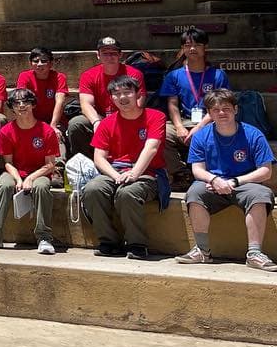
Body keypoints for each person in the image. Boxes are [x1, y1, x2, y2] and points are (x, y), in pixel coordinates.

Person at [179, 88, 277, 271]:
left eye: (226, 108)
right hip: (213, 184)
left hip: (245, 184)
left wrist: (235, 182)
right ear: (209, 113)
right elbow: (197, 169)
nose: (222, 113)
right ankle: (202, 250)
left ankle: (254, 254)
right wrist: (214, 179)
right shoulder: (201, 136)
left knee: (261, 194)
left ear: (236, 109)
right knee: (194, 192)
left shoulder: (253, 134)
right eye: (216, 110)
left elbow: (266, 171)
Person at [82, 75, 166, 260]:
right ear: (111, 98)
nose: (122, 97)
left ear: (137, 94)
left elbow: (151, 148)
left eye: (127, 92)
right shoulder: (106, 123)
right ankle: (108, 241)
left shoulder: (155, 116)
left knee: (127, 193)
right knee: (92, 189)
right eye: (116, 94)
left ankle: (137, 243)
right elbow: (99, 157)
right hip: (115, 171)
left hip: (147, 173)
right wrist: (115, 176)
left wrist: (134, 173)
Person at [0, 88, 61, 253]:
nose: (22, 106)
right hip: (15, 171)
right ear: (12, 108)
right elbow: (8, 162)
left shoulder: (46, 130)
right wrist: (18, 179)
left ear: (33, 105)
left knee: (41, 187)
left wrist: (30, 178)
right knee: (4, 185)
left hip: (40, 172)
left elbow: (50, 164)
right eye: (17, 103)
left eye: (26, 102)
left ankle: (44, 237)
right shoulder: (6, 131)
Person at [159, 26, 231, 181]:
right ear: (183, 48)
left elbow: (220, 105)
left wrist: (200, 127)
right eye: (188, 45)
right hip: (184, 120)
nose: (192, 49)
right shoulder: (174, 75)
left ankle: (216, 173)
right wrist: (179, 127)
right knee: (160, 133)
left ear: (205, 47)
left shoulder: (218, 75)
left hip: (211, 120)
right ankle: (181, 174)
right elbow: (172, 103)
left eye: (197, 45)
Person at [68, 36, 147, 157]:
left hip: (127, 117)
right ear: (98, 55)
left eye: (113, 53)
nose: (110, 57)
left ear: (120, 55)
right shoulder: (88, 75)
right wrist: (96, 122)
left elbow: (138, 103)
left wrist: (113, 122)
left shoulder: (134, 74)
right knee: (76, 123)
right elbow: (86, 104)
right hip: (99, 117)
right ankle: (84, 162)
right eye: (105, 53)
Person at [15, 46, 69, 134]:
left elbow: (60, 101)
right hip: (32, 121)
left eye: (44, 61)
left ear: (51, 63)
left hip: (55, 121)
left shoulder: (59, 77)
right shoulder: (24, 76)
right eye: (36, 61)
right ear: (30, 63)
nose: (39, 64)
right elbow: (22, 100)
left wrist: (53, 125)